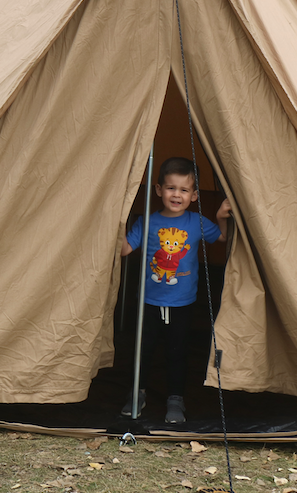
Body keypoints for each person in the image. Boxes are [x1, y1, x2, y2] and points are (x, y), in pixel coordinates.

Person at [120, 157, 231, 424]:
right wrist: (117, 219)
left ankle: (175, 399)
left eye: (183, 190)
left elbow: (222, 238)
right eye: (171, 188)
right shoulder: (148, 221)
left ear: (194, 196)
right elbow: (125, 249)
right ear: (158, 189)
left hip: (182, 302)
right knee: (143, 350)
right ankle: (138, 393)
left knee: (177, 352)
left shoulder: (197, 222)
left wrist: (219, 217)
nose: (176, 195)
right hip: (148, 300)